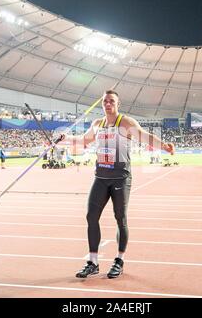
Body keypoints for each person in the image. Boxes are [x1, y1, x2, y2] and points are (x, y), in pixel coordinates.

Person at [59, 90, 175, 279]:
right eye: (105, 101)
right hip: (101, 177)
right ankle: (93, 262)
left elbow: (145, 137)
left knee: (120, 218)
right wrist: (66, 140)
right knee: (91, 216)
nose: (107, 103)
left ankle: (119, 260)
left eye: (111, 101)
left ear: (117, 104)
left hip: (121, 177)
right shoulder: (97, 124)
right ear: (102, 104)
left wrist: (164, 146)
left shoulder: (126, 123)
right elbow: (84, 141)